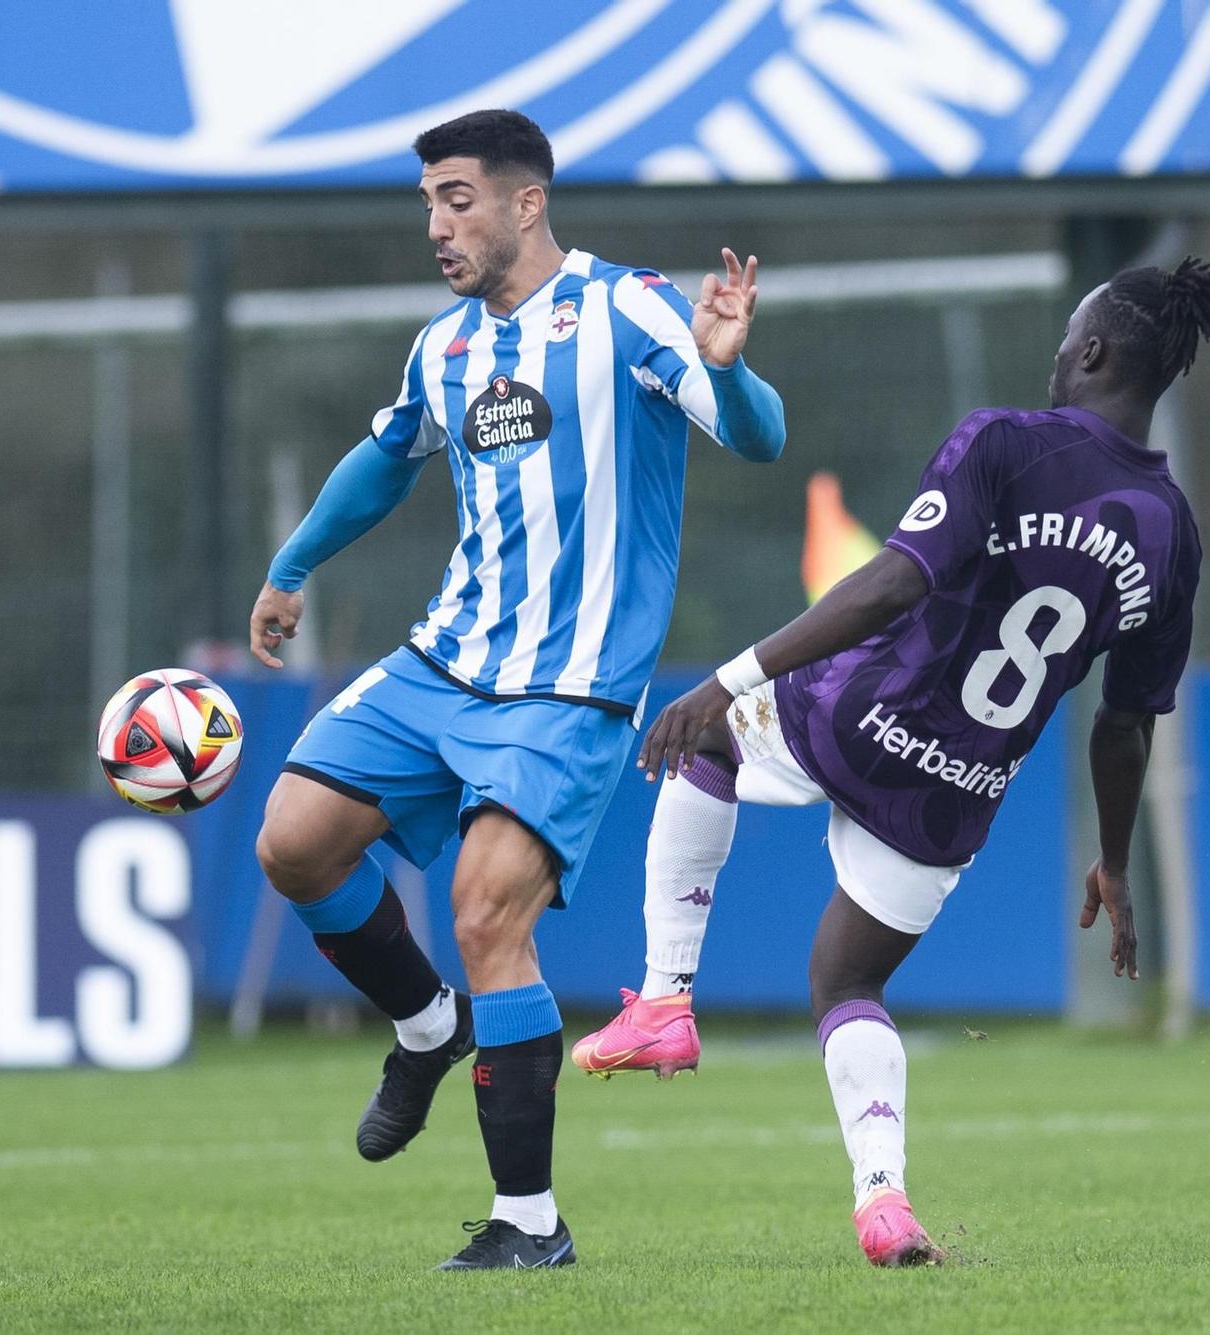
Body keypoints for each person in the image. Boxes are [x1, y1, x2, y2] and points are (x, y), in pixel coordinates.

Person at [572, 259, 1210, 1267]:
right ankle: (881, 1201)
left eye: (1068, 337)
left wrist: (728, 677)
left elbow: (890, 583)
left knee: (706, 733)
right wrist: (1111, 856)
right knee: (845, 983)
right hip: (954, 793)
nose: (1057, 353)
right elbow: (1124, 720)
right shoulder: (1171, 534)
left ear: (1092, 352)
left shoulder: (1006, 440)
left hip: (860, 713)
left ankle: (665, 998)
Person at [248, 108, 788, 1270]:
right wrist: (293, 566)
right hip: (444, 661)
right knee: (291, 842)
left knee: (486, 911)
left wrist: (730, 371)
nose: (437, 226)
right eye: (428, 203)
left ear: (524, 202)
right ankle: (423, 1023)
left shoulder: (626, 309)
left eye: (456, 199)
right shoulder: (442, 346)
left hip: (571, 686)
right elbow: (387, 454)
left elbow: (757, 437)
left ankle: (526, 1227)